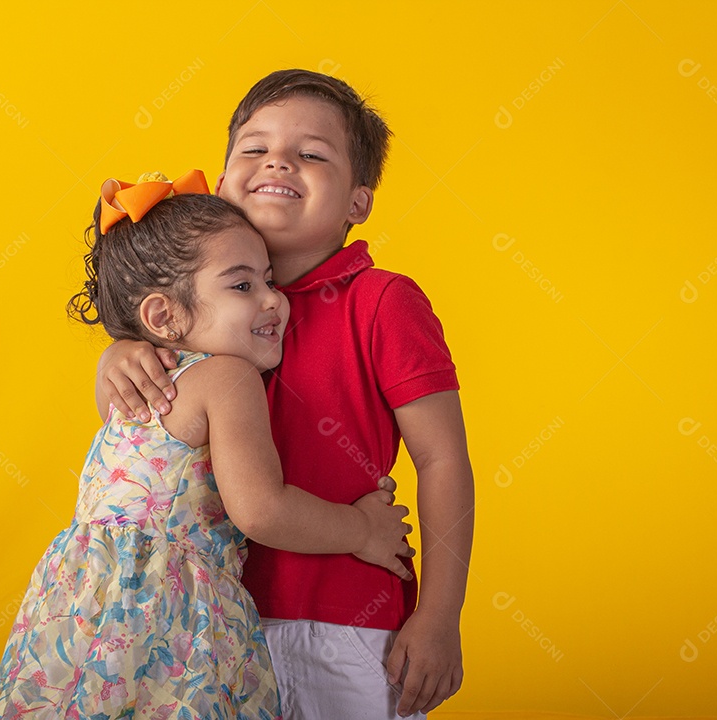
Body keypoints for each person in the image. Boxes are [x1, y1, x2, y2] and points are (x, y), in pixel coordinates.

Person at [97, 71, 475, 719]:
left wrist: (440, 616)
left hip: (342, 619)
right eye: (254, 148)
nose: (277, 161)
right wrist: (119, 352)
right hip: (207, 624)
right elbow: (145, 438)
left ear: (359, 202)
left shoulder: (382, 301)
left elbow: (443, 461)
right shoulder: (195, 312)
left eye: (312, 154)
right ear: (220, 187)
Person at [0, 171, 416, 720]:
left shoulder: (135, 381)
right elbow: (261, 508)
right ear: (164, 316)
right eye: (243, 286)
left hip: (79, 615)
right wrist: (363, 531)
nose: (273, 302)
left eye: (268, 280)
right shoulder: (227, 378)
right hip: (169, 612)